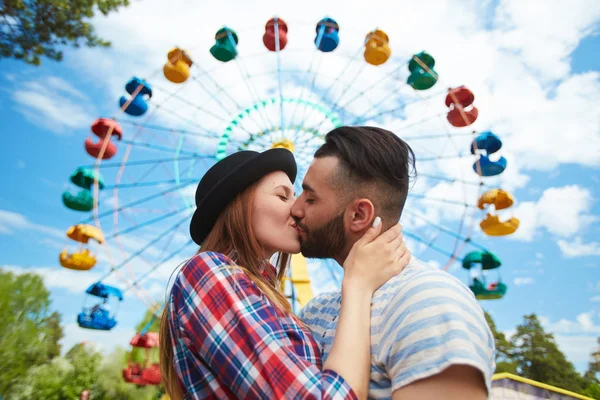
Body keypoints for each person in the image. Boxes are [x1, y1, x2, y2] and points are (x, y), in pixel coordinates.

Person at [159, 148, 411, 400]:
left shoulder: (258, 294)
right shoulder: (208, 273)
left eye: (301, 196)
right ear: (240, 205)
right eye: (283, 196)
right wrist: (358, 285)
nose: (298, 209)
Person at [292, 126, 496, 400]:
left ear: (359, 215)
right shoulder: (314, 311)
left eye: (310, 197)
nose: (295, 208)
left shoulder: (430, 301)